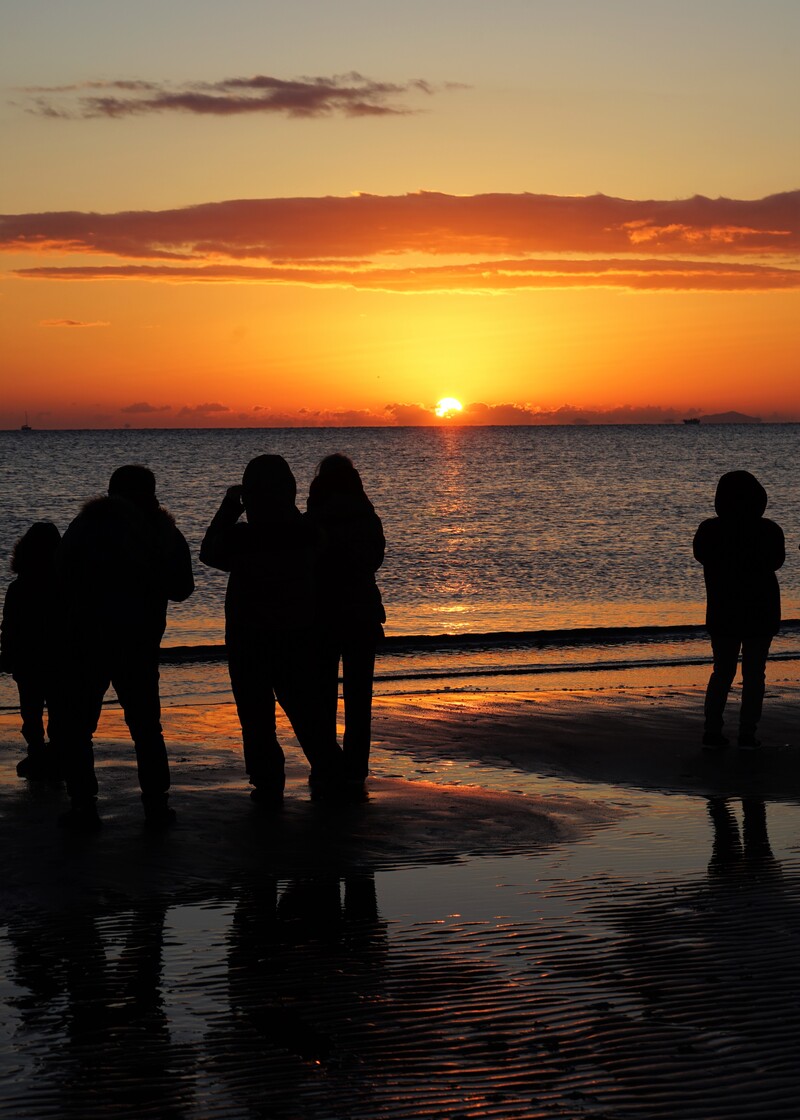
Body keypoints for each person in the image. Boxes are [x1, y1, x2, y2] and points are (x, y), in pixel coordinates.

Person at [56, 465, 194, 830]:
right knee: (147, 727)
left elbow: (61, 576)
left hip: (88, 640)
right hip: (140, 641)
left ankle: (83, 805)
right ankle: (156, 804)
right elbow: (182, 589)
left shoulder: (86, 526)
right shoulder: (163, 531)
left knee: (79, 726)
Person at [200, 454, 342, 803]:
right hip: (297, 632)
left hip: (249, 636)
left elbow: (208, 552)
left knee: (255, 714)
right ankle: (329, 769)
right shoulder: (306, 532)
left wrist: (230, 507)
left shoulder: (242, 537)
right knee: (305, 709)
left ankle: (267, 780)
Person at [307, 453, 385, 785]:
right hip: (361, 614)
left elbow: (305, 565)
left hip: (322, 615)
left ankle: (325, 765)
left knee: (321, 697)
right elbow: (374, 561)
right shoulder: (367, 517)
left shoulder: (313, 520)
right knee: (358, 699)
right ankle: (356, 767)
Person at [693, 470, 784, 750]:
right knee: (754, 673)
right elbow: (776, 562)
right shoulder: (768, 530)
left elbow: (701, 555)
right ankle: (747, 733)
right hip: (761, 611)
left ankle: (712, 730)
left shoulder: (710, 530)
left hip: (723, 611)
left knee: (722, 671)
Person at [0, 521, 62, 780]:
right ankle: (55, 754)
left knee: (31, 711)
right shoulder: (63, 584)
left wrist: (8, 655)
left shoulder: (19, 586)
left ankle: (37, 752)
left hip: (28, 660)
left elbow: (9, 627)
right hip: (58, 657)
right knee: (58, 710)